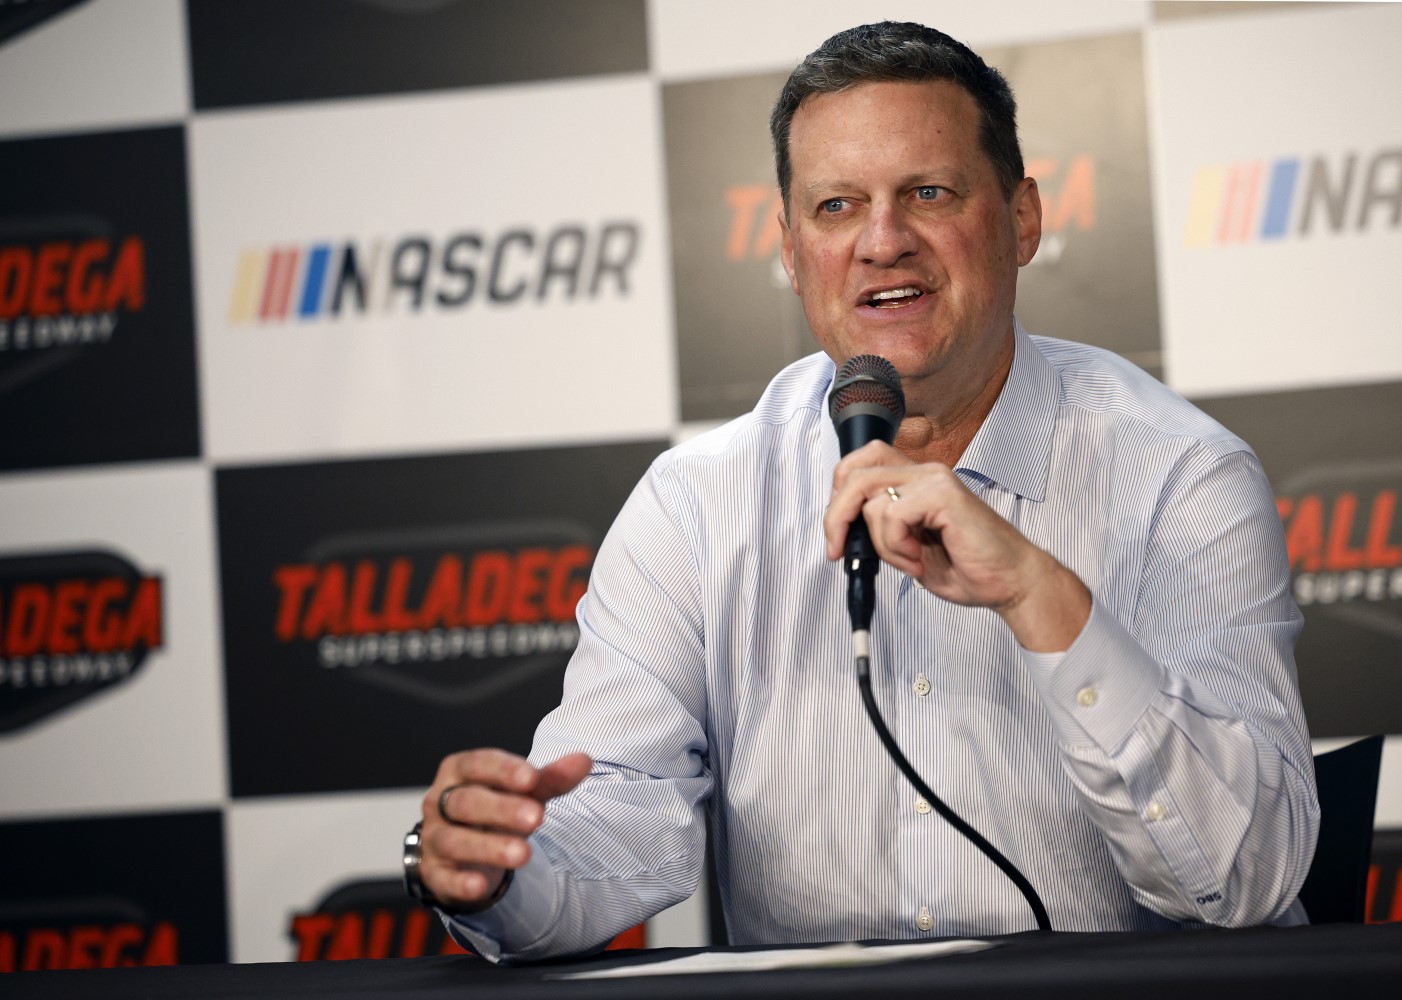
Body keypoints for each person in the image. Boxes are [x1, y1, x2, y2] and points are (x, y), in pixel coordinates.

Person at [402, 21, 1319, 962]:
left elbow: (1248, 877)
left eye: (929, 193)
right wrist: (504, 870)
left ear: (1022, 220)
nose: (884, 242)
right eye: (838, 206)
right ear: (792, 249)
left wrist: (1045, 600)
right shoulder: (695, 504)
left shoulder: (1179, 474)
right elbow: (617, 807)